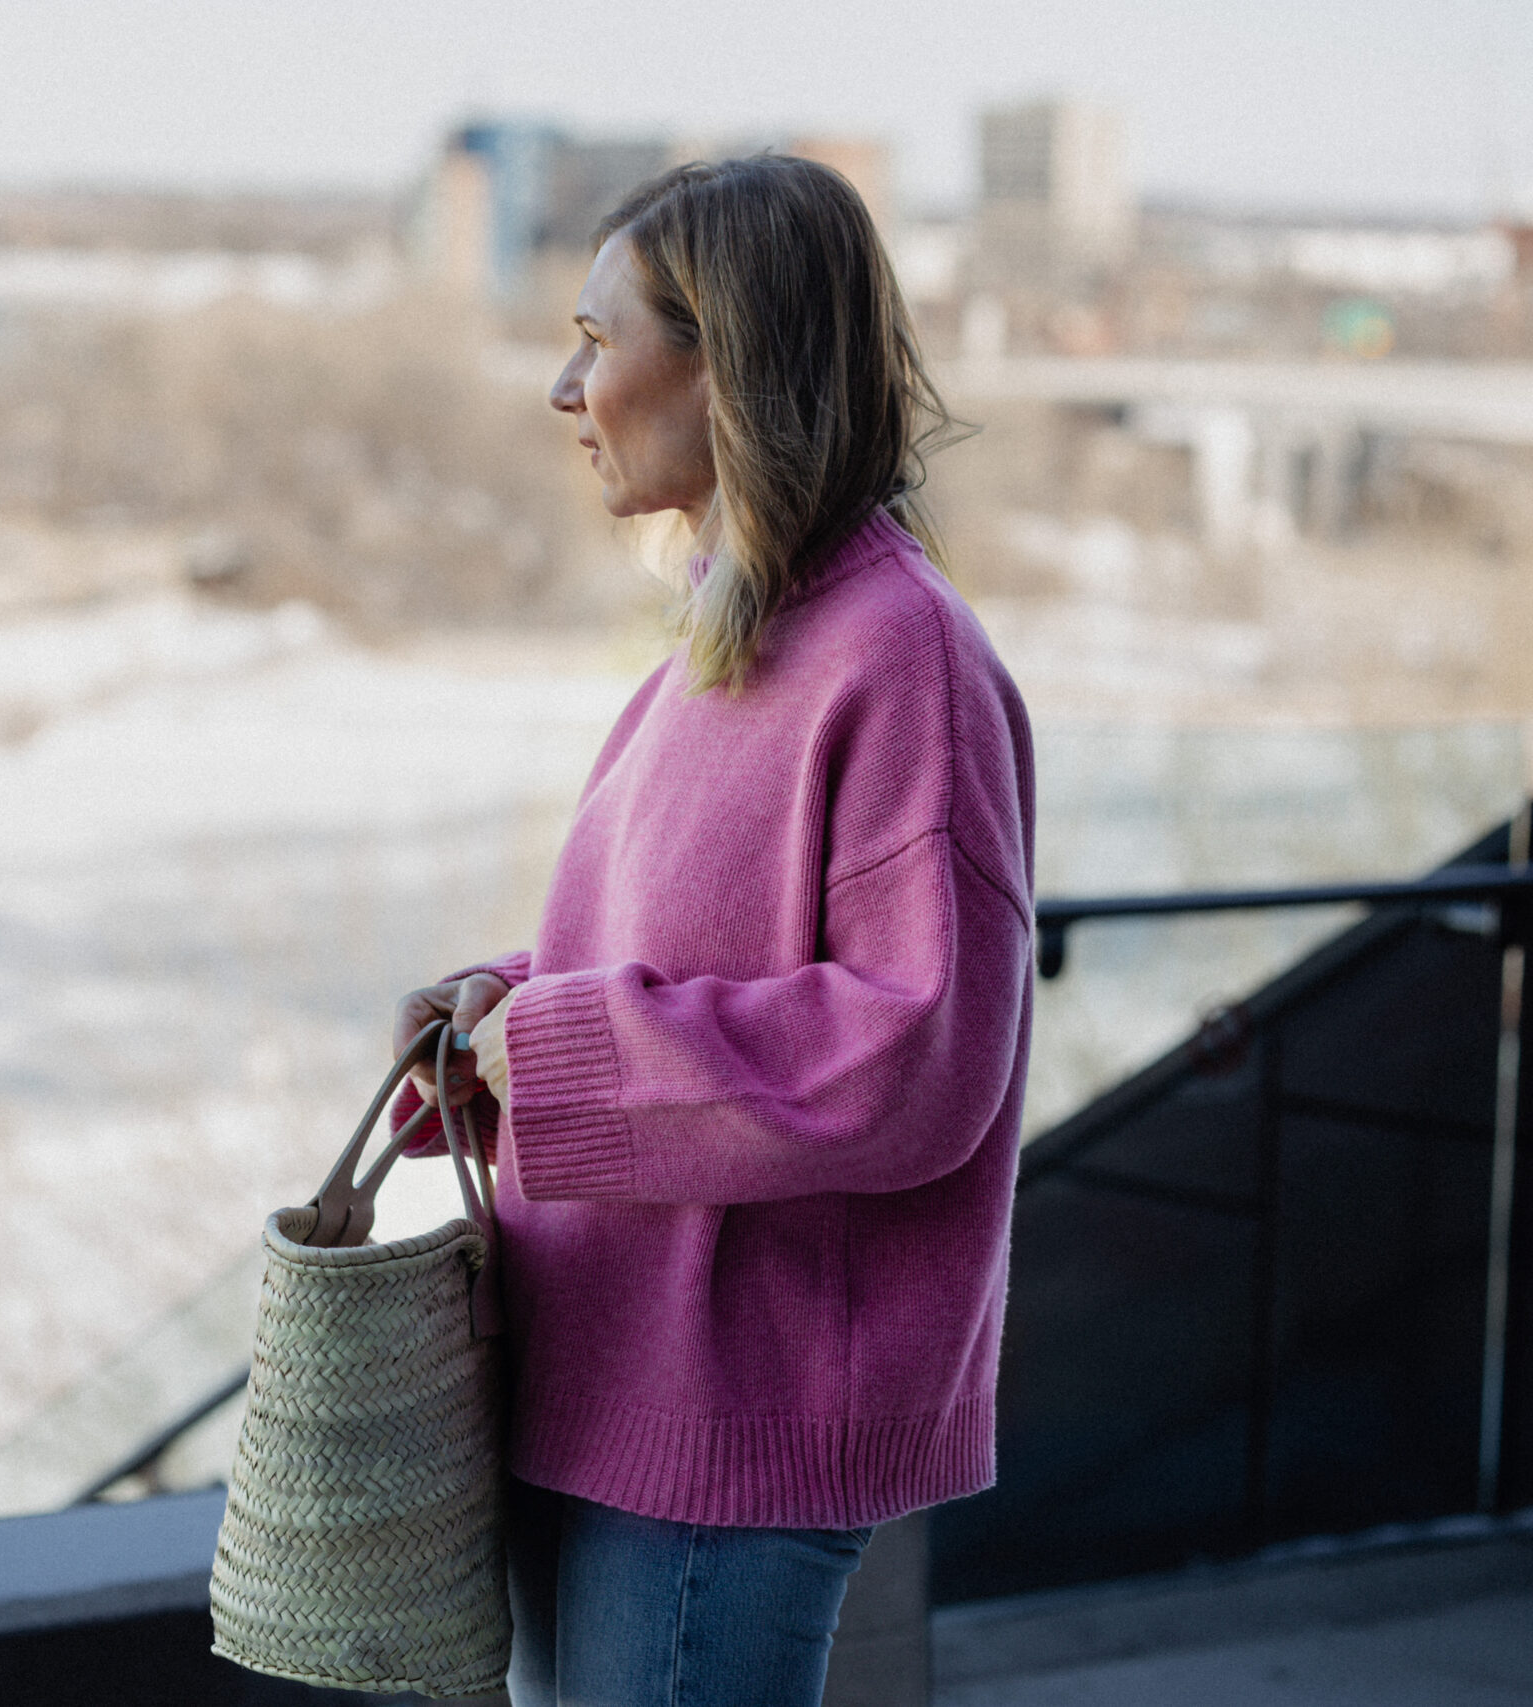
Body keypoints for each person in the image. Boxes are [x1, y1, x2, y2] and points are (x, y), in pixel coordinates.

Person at [392, 155, 1035, 1707]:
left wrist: (554, 1053)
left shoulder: (901, 659)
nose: (568, 385)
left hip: (726, 1435)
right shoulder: (728, 632)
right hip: (606, 1382)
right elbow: (691, 957)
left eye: (600, 339)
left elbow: (913, 1049)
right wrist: (502, 1007)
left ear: (727, 362)